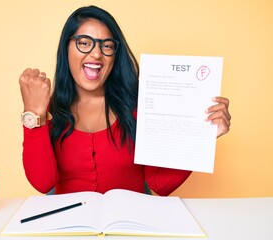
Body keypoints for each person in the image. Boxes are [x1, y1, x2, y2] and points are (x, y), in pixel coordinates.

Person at [19, 5, 231, 196]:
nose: (96, 54)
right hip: (70, 227)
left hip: (130, 227)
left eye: (107, 46)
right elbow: (43, 183)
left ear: (114, 54)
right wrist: (33, 113)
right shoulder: (47, 109)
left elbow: (160, 184)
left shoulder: (139, 104)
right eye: (84, 43)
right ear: (66, 48)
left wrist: (201, 137)